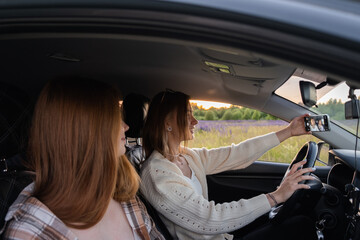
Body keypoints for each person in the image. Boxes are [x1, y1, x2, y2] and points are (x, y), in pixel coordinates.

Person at [140, 90, 316, 240]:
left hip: (221, 235)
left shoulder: (187, 156)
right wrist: (275, 197)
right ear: (167, 123)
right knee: (301, 226)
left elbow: (237, 154)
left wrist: (289, 131)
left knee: (297, 223)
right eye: (187, 115)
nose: (195, 121)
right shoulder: (157, 174)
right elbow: (209, 218)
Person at [1, 78, 164, 240]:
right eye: (115, 118)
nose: (126, 126)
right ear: (87, 133)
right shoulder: (29, 231)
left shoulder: (124, 197)